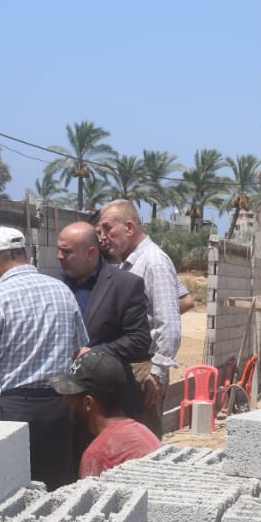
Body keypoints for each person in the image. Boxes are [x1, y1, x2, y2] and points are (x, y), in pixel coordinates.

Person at [0, 226, 88, 489]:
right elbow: (79, 352)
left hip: (14, 410)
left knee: (13, 490)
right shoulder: (62, 291)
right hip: (60, 407)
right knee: (57, 489)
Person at [53, 222, 152, 457]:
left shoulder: (125, 285)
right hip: (62, 405)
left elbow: (139, 340)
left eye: (67, 251)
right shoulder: (51, 284)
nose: (59, 256)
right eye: (59, 249)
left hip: (105, 407)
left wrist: (95, 354)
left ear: (90, 253)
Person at [95, 200, 181, 439]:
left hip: (145, 370)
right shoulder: (128, 262)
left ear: (129, 228)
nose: (103, 237)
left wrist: (157, 373)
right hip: (129, 366)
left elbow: (169, 323)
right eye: (100, 231)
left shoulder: (154, 262)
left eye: (108, 229)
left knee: (143, 441)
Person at [50, 351, 160, 478]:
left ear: (88, 403)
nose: (65, 400)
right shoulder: (143, 431)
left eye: (70, 395)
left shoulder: (98, 455)